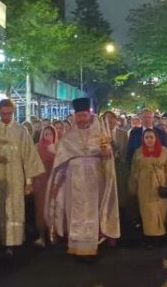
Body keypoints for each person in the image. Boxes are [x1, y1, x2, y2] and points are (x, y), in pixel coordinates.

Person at [46, 98, 120, 258]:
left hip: (95, 181)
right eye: (78, 116)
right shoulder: (69, 136)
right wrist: (57, 182)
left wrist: (107, 154)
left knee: (92, 211)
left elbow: (108, 157)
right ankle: (76, 245)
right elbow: (60, 161)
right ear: (75, 116)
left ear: (89, 114)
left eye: (84, 115)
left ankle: (91, 245)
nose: (81, 119)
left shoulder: (100, 134)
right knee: (76, 212)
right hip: (74, 182)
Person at [0, 99, 45, 255]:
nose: (6, 116)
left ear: (13, 112)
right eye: (3, 113)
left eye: (9, 113)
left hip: (17, 177)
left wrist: (28, 182)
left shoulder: (21, 131)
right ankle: (5, 242)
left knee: (16, 208)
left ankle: (16, 240)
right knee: (1, 208)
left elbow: (28, 157)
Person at [129, 128, 167, 246]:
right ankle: (150, 238)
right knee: (147, 212)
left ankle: (161, 237)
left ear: (156, 138)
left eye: (151, 137)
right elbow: (134, 170)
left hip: (160, 184)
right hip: (144, 185)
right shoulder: (138, 152)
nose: (149, 140)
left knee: (161, 211)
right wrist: (132, 187)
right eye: (146, 138)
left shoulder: (163, 151)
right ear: (143, 139)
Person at [32, 125, 57, 242]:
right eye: (46, 134)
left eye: (51, 134)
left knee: (53, 208)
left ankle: (52, 234)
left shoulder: (58, 148)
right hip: (41, 182)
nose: (48, 136)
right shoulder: (37, 148)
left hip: (54, 182)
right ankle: (41, 235)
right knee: (41, 208)